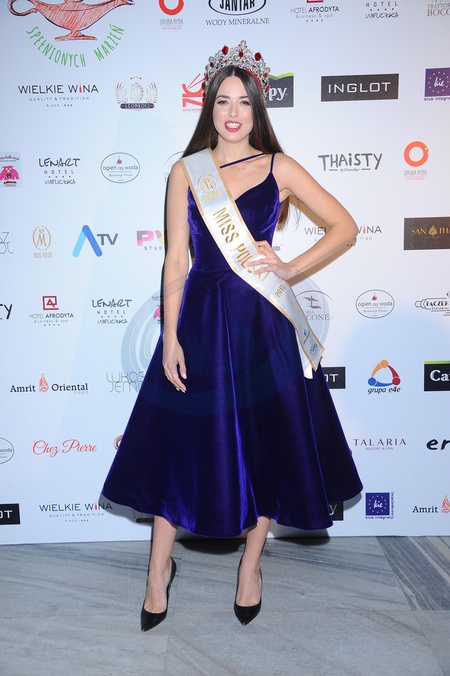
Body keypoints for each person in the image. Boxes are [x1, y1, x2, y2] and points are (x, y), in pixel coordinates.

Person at [102, 39, 362, 631]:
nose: (233, 112)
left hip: (262, 325)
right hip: (200, 320)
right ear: (210, 107)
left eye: (244, 101)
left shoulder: (279, 167)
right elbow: (176, 260)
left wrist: (289, 268)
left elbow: (345, 227)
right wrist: (170, 336)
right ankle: (157, 571)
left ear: (257, 108)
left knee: (266, 443)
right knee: (178, 443)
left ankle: (251, 566)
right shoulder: (186, 170)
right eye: (223, 100)